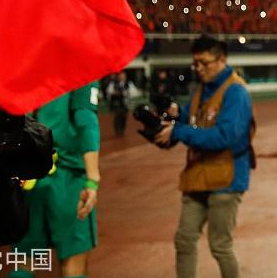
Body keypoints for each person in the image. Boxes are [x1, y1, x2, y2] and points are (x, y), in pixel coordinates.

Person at [154, 36, 254, 278]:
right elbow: (191, 120)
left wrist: (178, 131)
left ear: (222, 60)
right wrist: (174, 119)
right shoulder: (201, 89)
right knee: (184, 239)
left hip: (226, 178)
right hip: (198, 175)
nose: (199, 68)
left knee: (220, 246)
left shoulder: (236, 92)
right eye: (195, 63)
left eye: (204, 63)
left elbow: (224, 137)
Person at [9, 81, 102, 278]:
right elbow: (85, 120)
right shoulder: (81, 70)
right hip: (66, 179)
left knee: (24, 263)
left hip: (27, 179)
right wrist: (92, 179)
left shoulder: (23, 69)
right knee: (73, 264)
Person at [105, 71, 138, 137]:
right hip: (117, 103)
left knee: (124, 117)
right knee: (117, 116)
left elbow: (135, 92)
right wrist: (116, 93)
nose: (122, 77)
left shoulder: (128, 83)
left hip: (125, 103)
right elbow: (108, 91)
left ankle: (122, 129)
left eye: (123, 75)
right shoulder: (114, 83)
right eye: (121, 75)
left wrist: (127, 93)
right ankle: (117, 130)